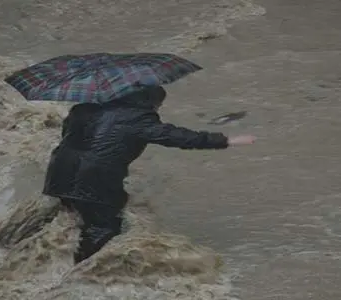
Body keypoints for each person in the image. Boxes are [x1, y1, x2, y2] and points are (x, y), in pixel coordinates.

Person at [42, 86, 255, 264]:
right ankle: (78, 271)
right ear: (148, 101)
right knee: (104, 226)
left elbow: (70, 133)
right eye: (158, 104)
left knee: (73, 211)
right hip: (95, 179)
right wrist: (224, 141)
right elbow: (177, 137)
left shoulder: (84, 108)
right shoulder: (139, 119)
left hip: (59, 170)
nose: (158, 108)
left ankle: (44, 253)